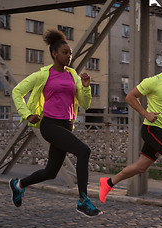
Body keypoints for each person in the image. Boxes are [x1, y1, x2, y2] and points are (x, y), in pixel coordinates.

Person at [99, 45, 162, 219]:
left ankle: (108, 183)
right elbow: (130, 97)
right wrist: (145, 113)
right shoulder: (152, 81)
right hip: (151, 129)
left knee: (140, 167)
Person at [9, 29, 102, 217]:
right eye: (65, 53)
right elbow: (17, 92)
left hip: (67, 124)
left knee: (51, 172)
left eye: (70, 53)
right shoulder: (42, 75)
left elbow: (85, 104)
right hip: (50, 125)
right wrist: (27, 114)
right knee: (84, 151)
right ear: (54, 54)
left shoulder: (73, 75)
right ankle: (83, 200)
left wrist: (85, 87)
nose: (69, 56)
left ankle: (19, 184)